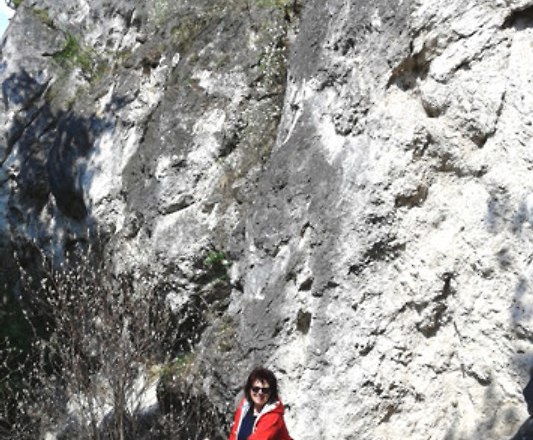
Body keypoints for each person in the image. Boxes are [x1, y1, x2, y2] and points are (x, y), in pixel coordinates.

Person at [228, 367, 292, 440]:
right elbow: (234, 435)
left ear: (271, 392)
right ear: (249, 389)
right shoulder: (244, 407)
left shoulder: (274, 417)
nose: (260, 393)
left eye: (265, 390)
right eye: (256, 389)